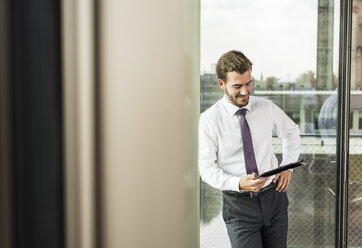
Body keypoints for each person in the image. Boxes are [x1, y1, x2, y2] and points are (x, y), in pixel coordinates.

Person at [198, 50, 301, 248]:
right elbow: (206, 169)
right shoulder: (209, 120)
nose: (245, 91)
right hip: (239, 207)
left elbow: (291, 132)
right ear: (222, 84)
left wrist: (288, 166)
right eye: (237, 86)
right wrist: (238, 183)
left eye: (248, 83)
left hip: (275, 199)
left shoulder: (266, 107)